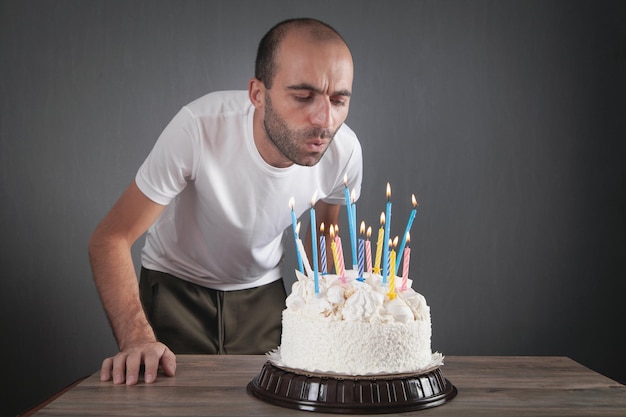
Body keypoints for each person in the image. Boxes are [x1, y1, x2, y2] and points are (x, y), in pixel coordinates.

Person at [88, 17, 362, 385]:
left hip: (263, 297)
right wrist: (136, 338)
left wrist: (333, 320)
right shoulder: (198, 127)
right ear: (258, 94)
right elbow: (110, 239)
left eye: (338, 99)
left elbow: (322, 244)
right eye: (302, 96)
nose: (324, 120)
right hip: (175, 290)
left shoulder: (343, 151)